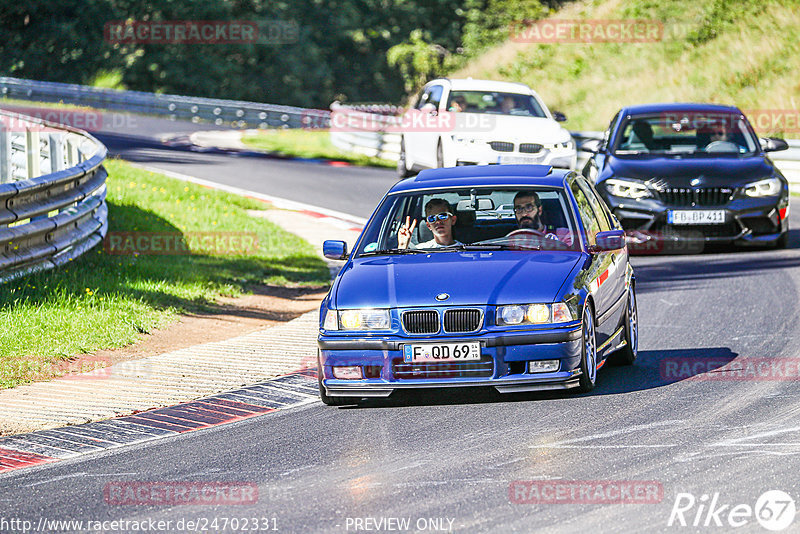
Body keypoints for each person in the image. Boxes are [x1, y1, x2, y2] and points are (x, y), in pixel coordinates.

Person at [397, 198, 462, 249]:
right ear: (428, 225)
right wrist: (402, 246)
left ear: (453, 220)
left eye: (443, 216)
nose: (438, 221)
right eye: (432, 218)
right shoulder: (419, 250)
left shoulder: (467, 251)